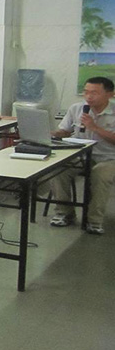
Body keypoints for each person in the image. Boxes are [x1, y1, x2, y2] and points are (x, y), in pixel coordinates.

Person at [42, 77, 115, 235]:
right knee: (58, 169)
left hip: (109, 158)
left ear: (110, 94)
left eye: (94, 93)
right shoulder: (77, 108)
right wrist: (51, 134)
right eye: (86, 92)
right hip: (80, 155)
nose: (89, 97)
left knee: (100, 174)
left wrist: (94, 127)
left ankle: (94, 220)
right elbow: (65, 131)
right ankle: (64, 212)